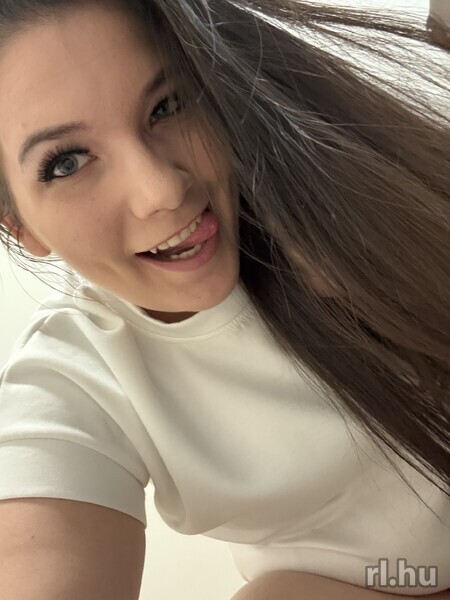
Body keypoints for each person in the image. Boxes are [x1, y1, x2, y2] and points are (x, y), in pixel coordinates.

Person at [0, 1, 448, 599]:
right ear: (18, 225)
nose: (161, 189)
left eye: (166, 106)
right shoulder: (73, 377)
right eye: (67, 163)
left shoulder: (348, 184)